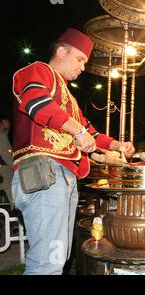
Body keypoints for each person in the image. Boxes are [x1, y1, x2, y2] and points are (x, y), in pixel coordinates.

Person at [11, 28, 135, 275]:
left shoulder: (68, 96)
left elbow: (92, 133)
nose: (83, 67)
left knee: (59, 257)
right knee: (48, 261)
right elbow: (36, 102)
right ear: (61, 51)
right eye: (80, 59)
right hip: (44, 171)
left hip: (63, 176)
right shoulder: (37, 70)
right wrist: (78, 131)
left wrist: (117, 146)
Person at [0, 112, 13, 205]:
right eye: (8, 121)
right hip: (4, 176)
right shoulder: (2, 136)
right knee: (13, 203)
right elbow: (7, 156)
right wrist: (17, 167)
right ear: (3, 122)